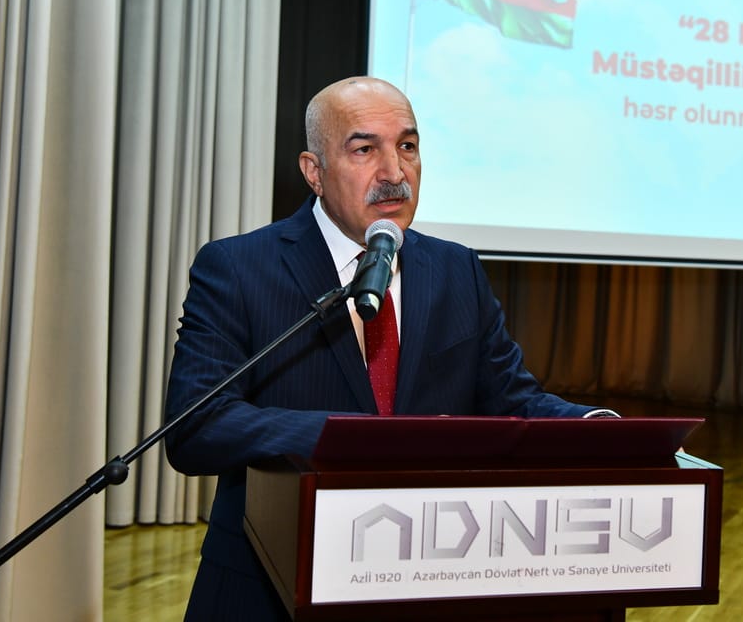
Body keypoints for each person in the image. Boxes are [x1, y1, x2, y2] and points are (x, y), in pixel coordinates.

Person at [163, 76, 617, 621]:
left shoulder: (455, 268)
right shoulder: (239, 267)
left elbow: (512, 399)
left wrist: (595, 427)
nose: (394, 173)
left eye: (407, 146)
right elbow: (198, 426)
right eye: (364, 150)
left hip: (424, 577)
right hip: (272, 584)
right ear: (314, 171)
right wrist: (351, 439)